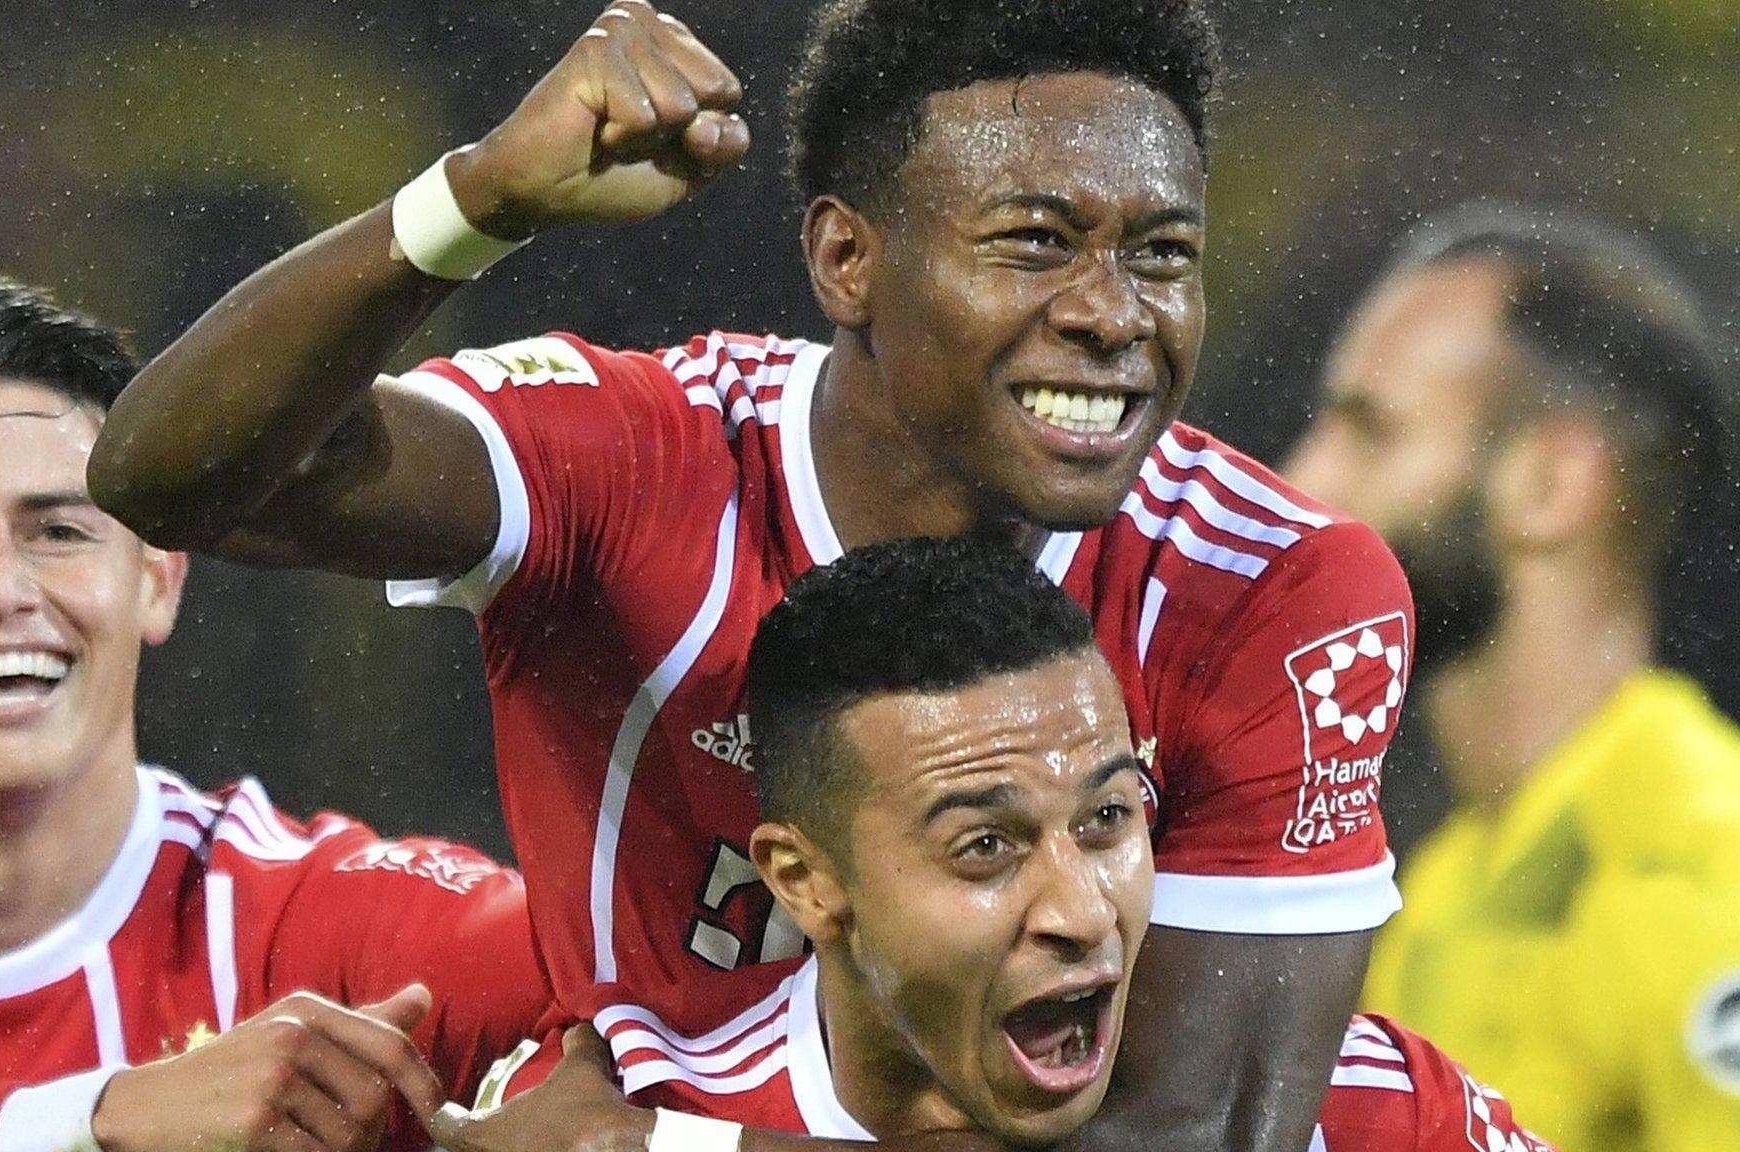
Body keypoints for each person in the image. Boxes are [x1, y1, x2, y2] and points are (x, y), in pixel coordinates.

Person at [88, 2, 1414, 1148]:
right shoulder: (634, 464)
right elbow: (170, 480)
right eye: (1035, 242)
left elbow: (1188, 1140)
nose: (1113, 313)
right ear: (848, 260)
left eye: (1162, 254)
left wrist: (668, 1148)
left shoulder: (1279, 588)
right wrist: (472, 202)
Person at [0, 278, 544, 1152]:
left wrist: (570, 1083)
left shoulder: (314, 921)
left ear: (157, 580)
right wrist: (99, 1121)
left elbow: (630, 998)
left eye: (58, 531)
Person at [423, 538, 1551, 1152]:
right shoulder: (614, 1100)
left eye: (1109, 820)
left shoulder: (1371, 1109)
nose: (1079, 911)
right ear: (805, 881)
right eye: (983, 849)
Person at [1284, 204, 1740, 1152]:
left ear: (1550, 486)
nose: (1301, 482)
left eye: (1370, 431)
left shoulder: (1708, 872)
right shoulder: (1440, 890)